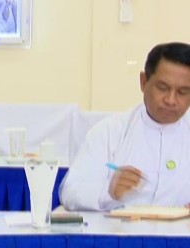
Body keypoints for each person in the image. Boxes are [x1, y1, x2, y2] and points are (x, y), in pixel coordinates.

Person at [61, 42, 190, 211]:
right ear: (143, 82)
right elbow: (70, 192)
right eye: (163, 88)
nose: (171, 100)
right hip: (120, 228)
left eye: (182, 92)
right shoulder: (110, 132)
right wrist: (108, 192)